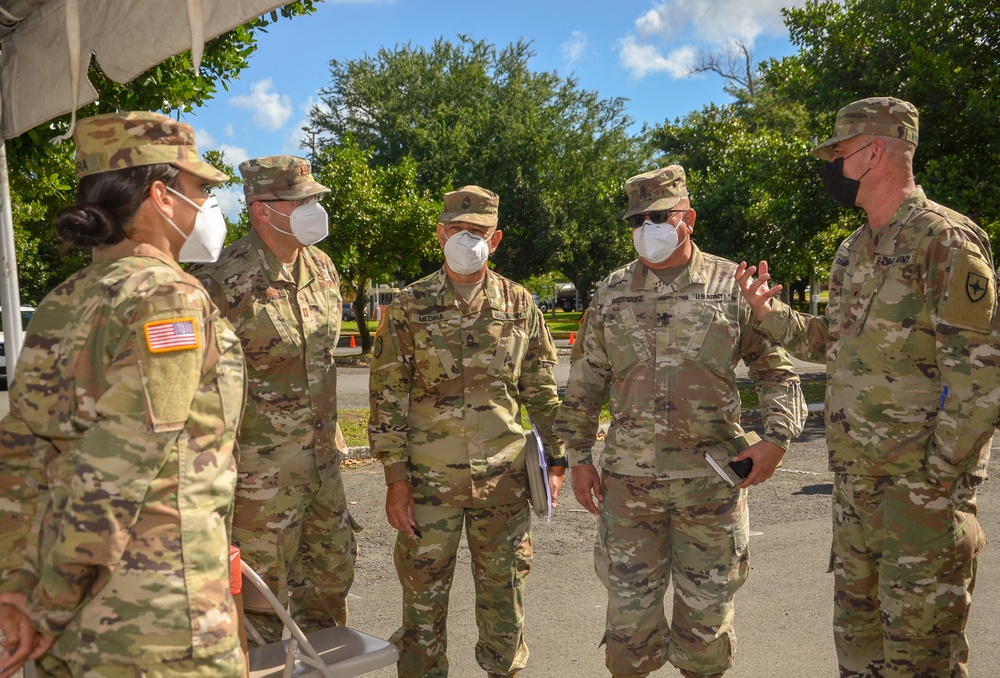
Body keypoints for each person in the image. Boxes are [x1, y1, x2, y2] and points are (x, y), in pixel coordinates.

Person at [735, 97, 997, 677]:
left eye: (838, 153)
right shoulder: (852, 251)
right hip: (855, 492)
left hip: (919, 498)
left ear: (875, 151)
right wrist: (770, 316)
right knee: (859, 652)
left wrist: (936, 482)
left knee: (922, 657)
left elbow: (980, 376)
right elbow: (831, 341)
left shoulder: (945, 241)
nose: (829, 166)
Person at [0, 111, 245, 677]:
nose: (208, 204)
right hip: (160, 627)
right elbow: (118, 466)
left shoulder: (65, 299)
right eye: (201, 189)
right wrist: (48, 604)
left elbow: (19, 455)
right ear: (162, 195)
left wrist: (19, 590)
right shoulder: (168, 298)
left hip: (78, 626)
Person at [556, 165, 807, 678]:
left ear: (687, 218)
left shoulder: (733, 287)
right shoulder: (611, 292)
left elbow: (776, 372)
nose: (648, 227)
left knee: (706, 625)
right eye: (637, 219)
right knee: (629, 628)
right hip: (629, 489)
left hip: (710, 485)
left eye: (659, 216)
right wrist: (579, 460)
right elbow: (583, 387)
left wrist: (777, 439)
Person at [368, 185, 566, 678]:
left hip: (503, 484)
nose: (466, 239)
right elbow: (387, 395)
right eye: (457, 229)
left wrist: (558, 459)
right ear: (440, 234)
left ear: (494, 239)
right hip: (426, 488)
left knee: (505, 607)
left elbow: (540, 389)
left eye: (476, 232)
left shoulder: (519, 304)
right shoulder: (409, 305)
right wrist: (395, 479)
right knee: (422, 612)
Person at [191, 156, 358, 643]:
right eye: (301, 201)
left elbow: (321, 363)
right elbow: (198, 393)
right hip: (258, 486)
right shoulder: (221, 281)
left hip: (324, 471)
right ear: (261, 209)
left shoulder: (323, 268)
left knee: (329, 593)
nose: (313, 209)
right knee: (259, 616)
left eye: (314, 200)